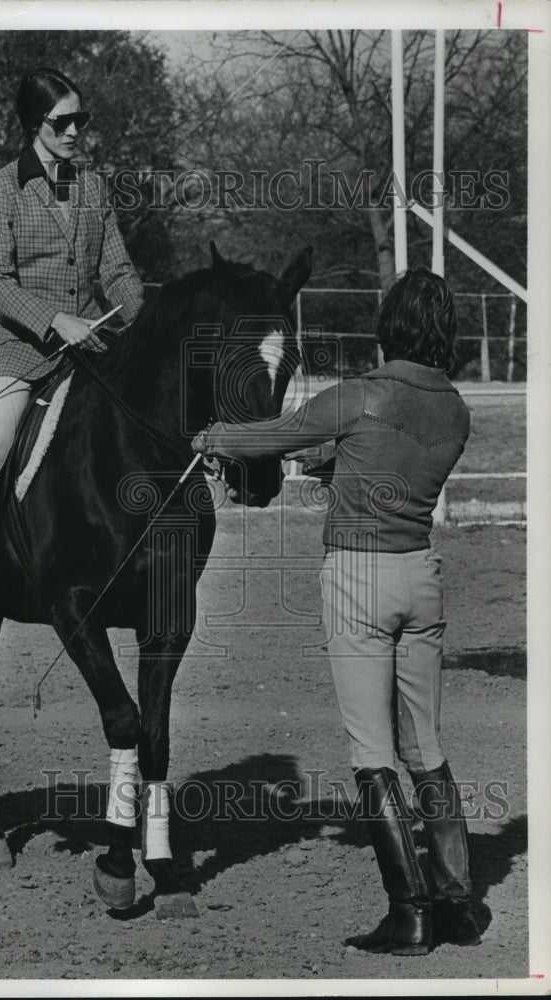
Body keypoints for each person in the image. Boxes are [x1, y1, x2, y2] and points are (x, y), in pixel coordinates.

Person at [193, 267, 481, 956]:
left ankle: (407, 914)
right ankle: (457, 906)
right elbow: (392, 463)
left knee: (371, 755)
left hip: (358, 575)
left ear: (391, 325)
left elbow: (274, 435)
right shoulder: (455, 407)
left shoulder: (357, 394)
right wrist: (339, 463)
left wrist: (210, 439)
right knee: (428, 749)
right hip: (422, 573)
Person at [0, 67, 144, 625]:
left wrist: (144, 320)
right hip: (23, 344)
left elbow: (119, 270)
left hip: (92, 342)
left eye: (83, 119)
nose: (77, 130)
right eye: (65, 121)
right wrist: (56, 320)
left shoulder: (94, 186)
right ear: (37, 124)